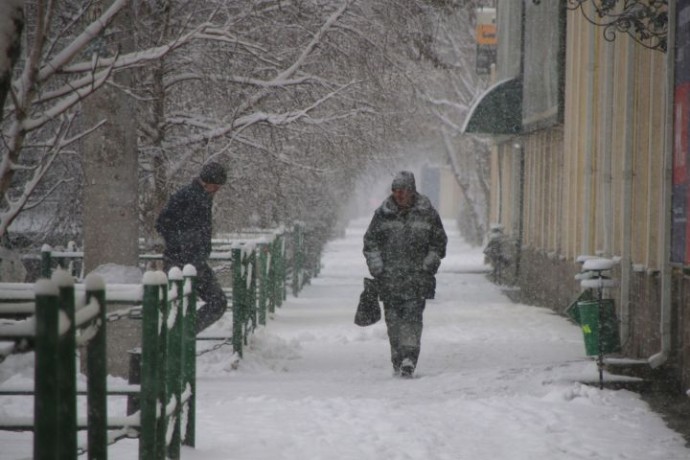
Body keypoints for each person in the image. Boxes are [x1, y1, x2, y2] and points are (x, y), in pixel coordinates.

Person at [363, 170, 448, 378]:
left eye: (403, 190)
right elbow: (370, 242)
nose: (399, 195)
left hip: (417, 279)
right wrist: (377, 266)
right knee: (393, 321)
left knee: (412, 318)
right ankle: (397, 358)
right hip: (389, 280)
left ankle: (409, 358)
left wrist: (429, 262)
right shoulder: (382, 215)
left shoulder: (428, 213)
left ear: (412, 191)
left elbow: (439, 243)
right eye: (396, 190)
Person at [155, 161, 228, 334]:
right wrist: (184, 245)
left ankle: (180, 335)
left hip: (193, 261)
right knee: (213, 302)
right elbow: (162, 223)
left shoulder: (200, 196)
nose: (217, 190)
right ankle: (180, 336)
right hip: (182, 262)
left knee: (210, 303)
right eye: (216, 186)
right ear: (207, 182)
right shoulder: (188, 196)